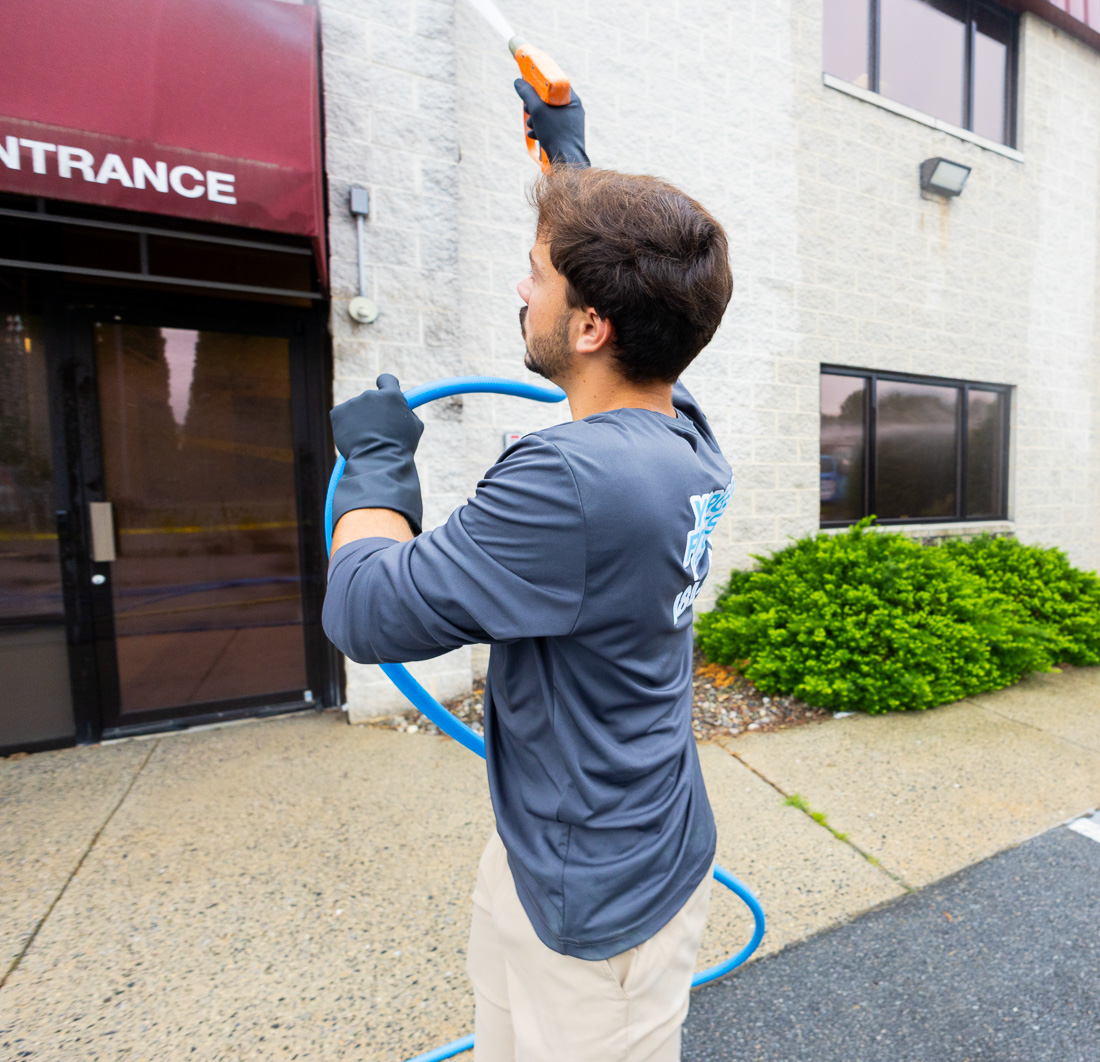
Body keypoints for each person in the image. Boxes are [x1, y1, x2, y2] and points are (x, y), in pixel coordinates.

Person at [322, 81, 735, 1062]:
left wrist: (374, 468)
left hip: (598, 906)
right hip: (555, 849)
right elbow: (636, 288)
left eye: (537, 275)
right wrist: (566, 158)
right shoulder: (685, 433)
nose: (521, 288)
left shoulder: (572, 480)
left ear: (591, 326)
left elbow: (365, 609)